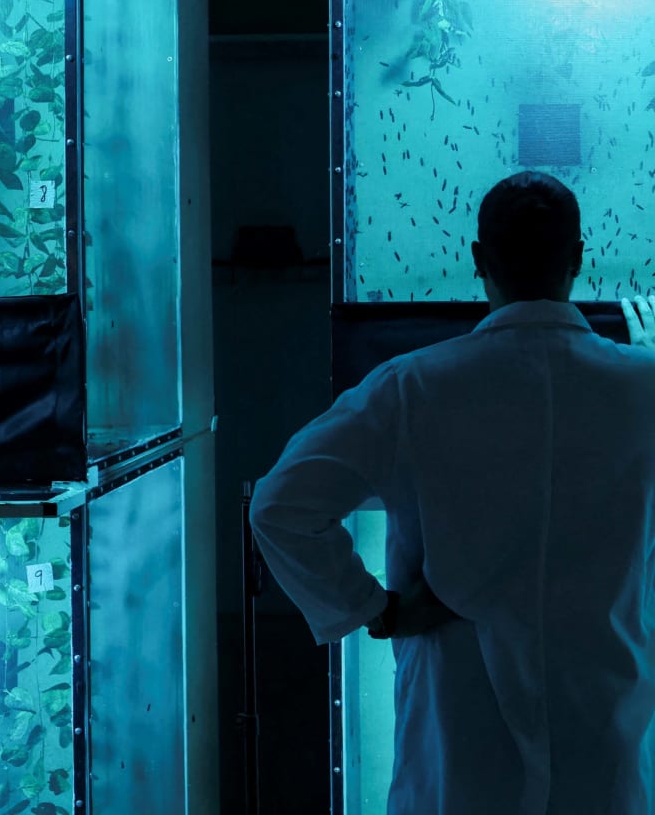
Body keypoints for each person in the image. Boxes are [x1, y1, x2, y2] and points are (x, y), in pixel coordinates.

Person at [249, 170, 655, 815]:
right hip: (603, 732)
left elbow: (281, 506)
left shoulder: (412, 387)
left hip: (459, 739)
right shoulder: (643, 387)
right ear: (579, 257)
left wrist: (375, 608)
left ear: (477, 259)